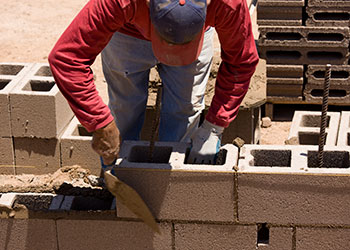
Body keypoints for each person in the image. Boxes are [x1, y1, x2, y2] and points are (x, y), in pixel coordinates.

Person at [48, 0, 259, 166]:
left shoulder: (227, 3)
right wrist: (100, 122)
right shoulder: (119, 2)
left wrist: (214, 126)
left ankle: (171, 180)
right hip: (127, 32)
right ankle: (118, 171)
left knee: (185, 109)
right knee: (125, 107)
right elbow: (66, 58)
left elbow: (241, 61)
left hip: (197, 31)